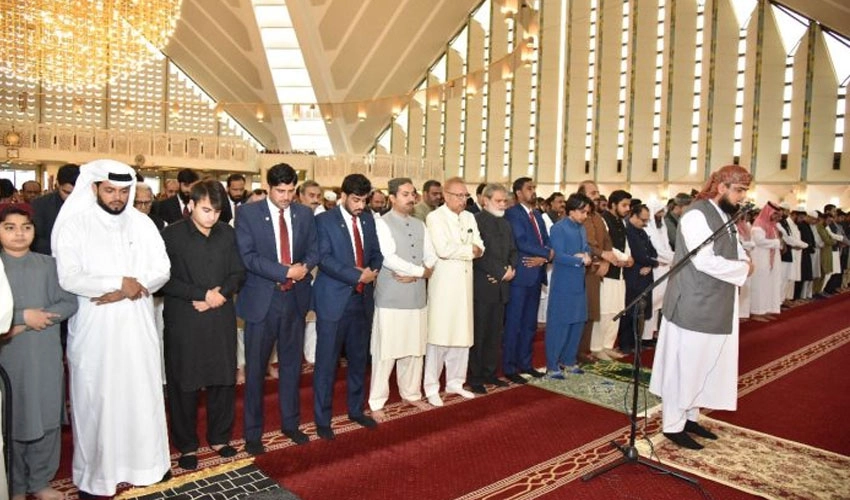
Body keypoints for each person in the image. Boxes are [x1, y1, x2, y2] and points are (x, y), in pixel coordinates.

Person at [52, 159, 172, 496]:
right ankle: (98, 476)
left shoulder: (142, 224)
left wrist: (126, 289)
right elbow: (70, 276)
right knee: (99, 401)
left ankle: (146, 465)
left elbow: (162, 268)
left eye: (123, 191)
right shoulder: (75, 225)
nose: (117, 198)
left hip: (137, 326)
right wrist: (120, 282)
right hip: (96, 331)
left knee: (139, 395)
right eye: (110, 191)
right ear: (94, 188)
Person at [649, 164, 754, 450]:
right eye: (739, 190)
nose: (743, 197)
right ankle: (673, 424)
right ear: (722, 187)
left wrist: (743, 262)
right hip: (693, 303)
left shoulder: (725, 215)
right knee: (685, 366)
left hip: (716, 302)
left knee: (705, 364)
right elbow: (704, 260)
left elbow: (738, 249)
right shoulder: (697, 214)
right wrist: (744, 269)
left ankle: (690, 417)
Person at [161, 180, 245, 469]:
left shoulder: (227, 233)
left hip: (220, 315)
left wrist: (217, 296)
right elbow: (162, 280)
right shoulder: (171, 235)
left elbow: (238, 272)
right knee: (184, 382)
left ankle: (220, 437)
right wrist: (201, 294)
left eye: (217, 211)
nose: (212, 217)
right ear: (192, 205)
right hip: (185, 318)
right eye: (206, 209)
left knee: (222, 378)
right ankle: (186, 446)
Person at [236, 163, 319, 453]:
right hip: (263, 301)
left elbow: (314, 248)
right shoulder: (248, 214)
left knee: (291, 367)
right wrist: (285, 271)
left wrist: (304, 267)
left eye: (290, 191)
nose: (285, 197)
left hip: (294, 300)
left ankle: (291, 424)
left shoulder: (304, 214)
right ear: (268, 186)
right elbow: (248, 257)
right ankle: (253, 433)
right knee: (256, 370)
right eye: (280, 191)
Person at [0, 203, 77, 500]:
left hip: (44, 356)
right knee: (13, 420)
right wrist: (20, 316)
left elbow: (69, 303)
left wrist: (30, 322)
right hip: (10, 359)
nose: (19, 234)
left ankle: (40, 482)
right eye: (10, 227)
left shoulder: (48, 264)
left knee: (46, 419)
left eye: (26, 227)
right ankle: (15, 486)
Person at [312, 173, 383, 440]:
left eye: (364, 200)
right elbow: (324, 259)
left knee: (358, 360)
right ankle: (322, 418)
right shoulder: (323, 221)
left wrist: (372, 270)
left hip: (362, 300)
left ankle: (355, 409)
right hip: (334, 301)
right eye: (355, 200)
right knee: (327, 363)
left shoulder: (367, 219)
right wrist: (357, 275)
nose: (360, 206)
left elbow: (376, 252)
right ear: (342, 196)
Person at [368, 178, 436, 418]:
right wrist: (420, 272)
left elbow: (431, 255)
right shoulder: (381, 223)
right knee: (386, 351)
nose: (410, 198)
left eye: (412, 193)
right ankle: (377, 402)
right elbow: (388, 258)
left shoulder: (420, 224)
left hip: (417, 296)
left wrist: (422, 273)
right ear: (392, 198)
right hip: (392, 297)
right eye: (405, 194)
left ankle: (411, 393)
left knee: (414, 349)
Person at [424, 177, 484, 405]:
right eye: (459, 195)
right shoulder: (435, 217)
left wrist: (471, 249)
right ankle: (431, 386)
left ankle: (455, 382)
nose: (463, 200)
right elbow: (444, 249)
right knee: (439, 336)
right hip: (444, 285)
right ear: (446, 195)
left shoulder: (469, 217)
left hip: (465, 285)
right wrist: (471, 250)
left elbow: (481, 245)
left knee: (462, 335)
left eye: (465, 195)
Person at [469, 184, 516, 394]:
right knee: (479, 334)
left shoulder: (506, 224)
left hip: (501, 287)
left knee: (495, 334)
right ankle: (475, 376)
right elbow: (478, 253)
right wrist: (498, 271)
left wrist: (511, 268)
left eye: (504, 201)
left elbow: (514, 250)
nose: (502, 204)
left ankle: (490, 373)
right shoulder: (476, 221)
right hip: (482, 285)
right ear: (485, 201)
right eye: (498, 200)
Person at [503, 177, 551, 382]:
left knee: (530, 324)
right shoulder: (513, 213)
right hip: (521, 276)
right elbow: (521, 241)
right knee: (514, 323)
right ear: (518, 193)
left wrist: (545, 254)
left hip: (536, 273)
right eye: (529, 188)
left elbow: (547, 240)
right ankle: (509, 367)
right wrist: (547, 255)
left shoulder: (538, 214)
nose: (533, 191)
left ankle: (526, 363)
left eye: (534, 188)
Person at [545, 193, 593, 378]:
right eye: (582, 212)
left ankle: (569, 360)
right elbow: (557, 254)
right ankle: (552, 365)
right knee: (560, 323)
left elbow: (586, 248)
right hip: (564, 282)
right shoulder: (559, 228)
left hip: (579, 282)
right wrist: (578, 260)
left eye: (587, 212)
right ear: (571, 211)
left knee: (578, 321)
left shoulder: (581, 228)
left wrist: (587, 255)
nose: (585, 216)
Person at [577, 181, 616, 364]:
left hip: (597, 270)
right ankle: (576, 352)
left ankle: (585, 351)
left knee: (592, 313)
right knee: (581, 312)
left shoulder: (598, 217)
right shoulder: (580, 217)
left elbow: (607, 240)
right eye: (593, 192)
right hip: (584, 271)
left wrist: (606, 260)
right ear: (582, 194)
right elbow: (587, 244)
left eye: (597, 192)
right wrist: (602, 256)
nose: (597, 195)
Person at [594, 190, 634, 359]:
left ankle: (608, 345)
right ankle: (597, 347)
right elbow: (607, 245)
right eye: (624, 205)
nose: (627, 209)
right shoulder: (604, 220)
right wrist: (625, 257)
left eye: (629, 205)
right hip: (608, 272)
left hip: (620, 272)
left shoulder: (621, 222)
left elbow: (625, 244)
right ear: (612, 204)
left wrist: (628, 257)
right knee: (604, 311)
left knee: (616, 310)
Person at [620, 203, 658, 354]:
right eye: (643, 220)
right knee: (630, 310)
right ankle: (625, 344)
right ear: (633, 216)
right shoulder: (628, 231)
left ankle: (636, 342)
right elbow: (638, 254)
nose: (645, 223)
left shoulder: (642, 232)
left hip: (645, 275)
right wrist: (653, 262)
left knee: (641, 311)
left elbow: (653, 252)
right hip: (633, 276)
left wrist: (650, 265)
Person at [30, 163, 79, 255]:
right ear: (57, 184)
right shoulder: (40, 204)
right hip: (49, 258)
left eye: (76, 194)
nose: (71, 198)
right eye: (66, 192)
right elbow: (37, 239)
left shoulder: (92, 205)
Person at [749, 202, 783, 318]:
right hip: (761, 258)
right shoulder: (759, 224)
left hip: (770, 258)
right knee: (759, 285)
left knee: (769, 285)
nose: (775, 217)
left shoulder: (772, 225)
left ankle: (766, 310)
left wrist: (777, 243)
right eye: (774, 214)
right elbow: (759, 241)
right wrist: (777, 243)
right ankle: (756, 312)